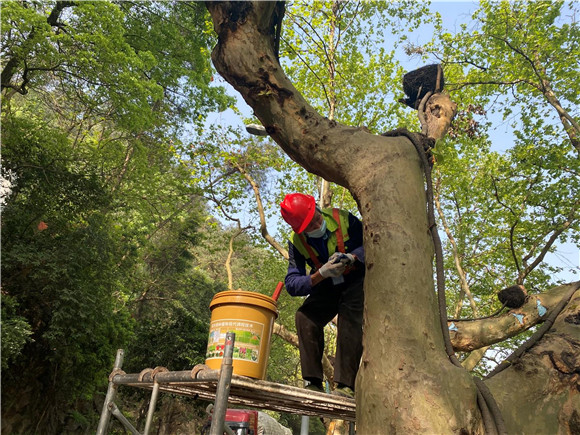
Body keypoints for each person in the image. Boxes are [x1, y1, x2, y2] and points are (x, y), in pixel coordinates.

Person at [280, 193, 365, 398]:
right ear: (299, 229)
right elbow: (292, 283)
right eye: (310, 226)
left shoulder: (343, 218)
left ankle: (346, 386)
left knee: (349, 315)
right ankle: (313, 382)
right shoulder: (297, 242)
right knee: (305, 316)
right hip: (326, 283)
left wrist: (352, 257)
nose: (317, 225)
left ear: (317, 209)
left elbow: (369, 243)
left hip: (355, 280)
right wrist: (320, 275)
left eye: (317, 219)